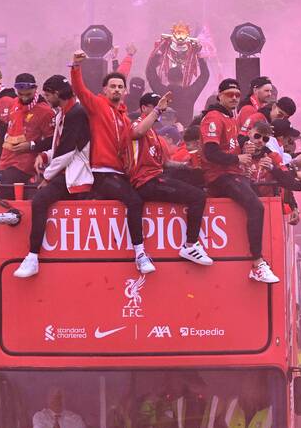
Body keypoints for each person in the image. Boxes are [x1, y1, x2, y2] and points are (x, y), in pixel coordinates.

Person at [69, 48, 155, 275]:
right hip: (103, 172)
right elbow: (80, 90)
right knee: (134, 202)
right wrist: (76, 67)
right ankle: (140, 254)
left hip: (121, 173)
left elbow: (122, 74)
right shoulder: (98, 107)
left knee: (148, 192)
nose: (117, 89)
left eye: (120, 87)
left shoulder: (124, 117)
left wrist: (129, 58)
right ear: (104, 90)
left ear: (125, 92)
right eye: (112, 86)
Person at [199, 77, 280, 283]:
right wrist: (237, 158)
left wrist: (246, 150)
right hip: (219, 177)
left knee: (257, 203)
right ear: (219, 96)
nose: (234, 98)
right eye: (229, 94)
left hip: (233, 174)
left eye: (237, 94)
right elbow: (210, 152)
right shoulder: (214, 117)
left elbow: (233, 148)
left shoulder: (231, 118)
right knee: (256, 207)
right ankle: (257, 263)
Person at [126, 90, 214, 266]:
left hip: (157, 175)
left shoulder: (154, 134)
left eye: (162, 106)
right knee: (197, 196)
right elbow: (137, 132)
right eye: (157, 106)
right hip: (145, 181)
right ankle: (190, 245)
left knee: (199, 177)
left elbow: (164, 163)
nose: (162, 109)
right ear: (144, 108)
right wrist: (157, 111)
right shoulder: (137, 124)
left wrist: (185, 167)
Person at [13, 74, 89, 276]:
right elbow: (59, 146)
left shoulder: (76, 113)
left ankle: (32, 256)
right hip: (67, 168)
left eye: (47, 95)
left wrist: (47, 177)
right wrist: (44, 156)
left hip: (77, 173)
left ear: (56, 94)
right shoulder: (65, 112)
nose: (45, 99)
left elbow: (67, 151)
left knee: (39, 201)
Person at [0, 72, 56, 184]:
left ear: (35, 89)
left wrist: (31, 146)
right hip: (5, 162)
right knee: (2, 197)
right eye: (20, 94)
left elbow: (54, 140)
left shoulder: (45, 111)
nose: (24, 98)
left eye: (28, 94)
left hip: (26, 166)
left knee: (7, 197)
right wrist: (0, 123)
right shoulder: (14, 104)